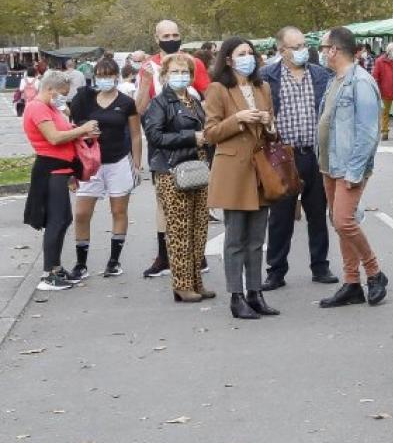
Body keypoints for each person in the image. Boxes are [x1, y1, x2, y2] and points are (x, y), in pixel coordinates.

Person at [204, 38, 280, 321]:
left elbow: (271, 130)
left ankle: (255, 293)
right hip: (233, 170)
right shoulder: (218, 89)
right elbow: (210, 133)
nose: (248, 58)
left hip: (260, 169)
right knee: (235, 237)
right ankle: (236, 296)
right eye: (241, 54)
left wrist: (267, 123)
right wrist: (238, 118)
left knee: (257, 238)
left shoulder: (263, 87)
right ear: (228, 59)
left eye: (251, 53)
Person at [316, 27, 388, 309]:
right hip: (330, 165)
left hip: (348, 167)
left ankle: (374, 272)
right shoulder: (337, 80)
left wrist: (355, 170)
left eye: (324, 48)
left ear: (334, 50)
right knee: (339, 223)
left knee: (344, 220)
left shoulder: (361, 82)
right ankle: (351, 282)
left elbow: (368, 132)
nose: (322, 53)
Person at [260, 26, 335, 289]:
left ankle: (320, 266)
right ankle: (276, 270)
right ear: (281, 50)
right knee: (280, 217)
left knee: (318, 213)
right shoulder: (267, 76)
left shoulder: (321, 74)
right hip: (284, 157)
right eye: (296, 47)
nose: (303, 51)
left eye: (304, 45)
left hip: (314, 154)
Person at [141, 53, 214, 302]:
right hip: (172, 171)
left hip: (198, 170)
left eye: (185, 72)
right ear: (164, 75)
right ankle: (182, 284)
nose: (181, 76)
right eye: (175, 72)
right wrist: (191, 137)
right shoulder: (159, 103)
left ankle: (196, 281)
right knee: (180, 230)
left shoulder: (193, 101)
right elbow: (155, 136)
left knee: (199, 229)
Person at [21, 68, 98, 292]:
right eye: (61, 92)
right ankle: (49, 274)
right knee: (55, 221)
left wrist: (82, 133)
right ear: (50, 89)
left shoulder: (51, 108)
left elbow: (65, 133)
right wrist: (81, 129)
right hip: (50, 170)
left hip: (61, 170)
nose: (63, 97)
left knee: (63, 219)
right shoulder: (37, 107)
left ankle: (56, 266)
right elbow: (54, 138)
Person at [68, 57, 143, 278]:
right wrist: (84, 130)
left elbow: (136, 134)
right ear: (95, 77)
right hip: (90, 163)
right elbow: (72, 126)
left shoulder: (126, 102)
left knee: (118, 211)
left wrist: (136, 163)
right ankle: (81, 264)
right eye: (100, 76)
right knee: (82, 213)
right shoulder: (85, 98)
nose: (105, 80)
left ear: (117, 77)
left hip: (118, 161)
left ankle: (113, 261)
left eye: (109, 75)